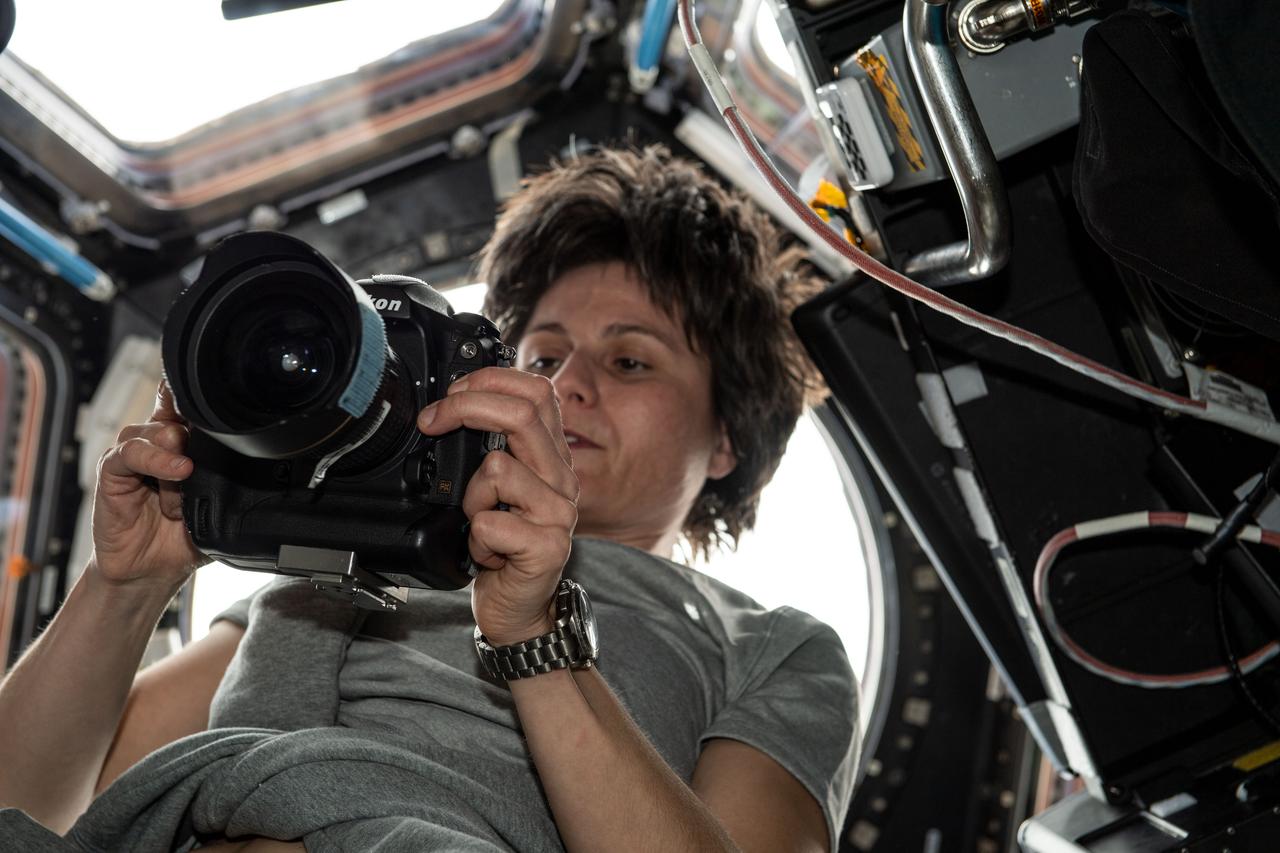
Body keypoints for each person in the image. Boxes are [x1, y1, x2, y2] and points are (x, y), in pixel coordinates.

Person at [0, 145, 858, 852]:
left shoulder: (773, 647)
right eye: (542, 353)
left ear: (727, 440)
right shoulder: (352, 550)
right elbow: (34, 806)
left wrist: (533, 637)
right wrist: (124, 589)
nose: (566, 386)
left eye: (630, 361)